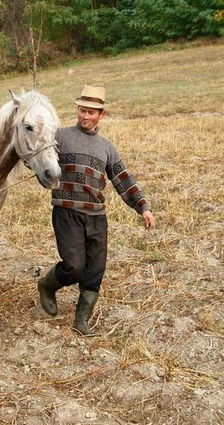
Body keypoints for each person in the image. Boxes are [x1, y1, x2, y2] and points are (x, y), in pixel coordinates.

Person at [37, 85, 155, 336]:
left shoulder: (106, 147)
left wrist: (142, 206)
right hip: (66, 211)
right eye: (82, 110)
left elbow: (123, 179)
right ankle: (47, 284)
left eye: (91, 112)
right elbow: (39, 157)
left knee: (95, 269)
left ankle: (81, 320)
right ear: (77, 111)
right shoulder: (60, 137)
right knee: (74, 265)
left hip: (96, 216)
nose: (85, 116)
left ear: (102, 115)